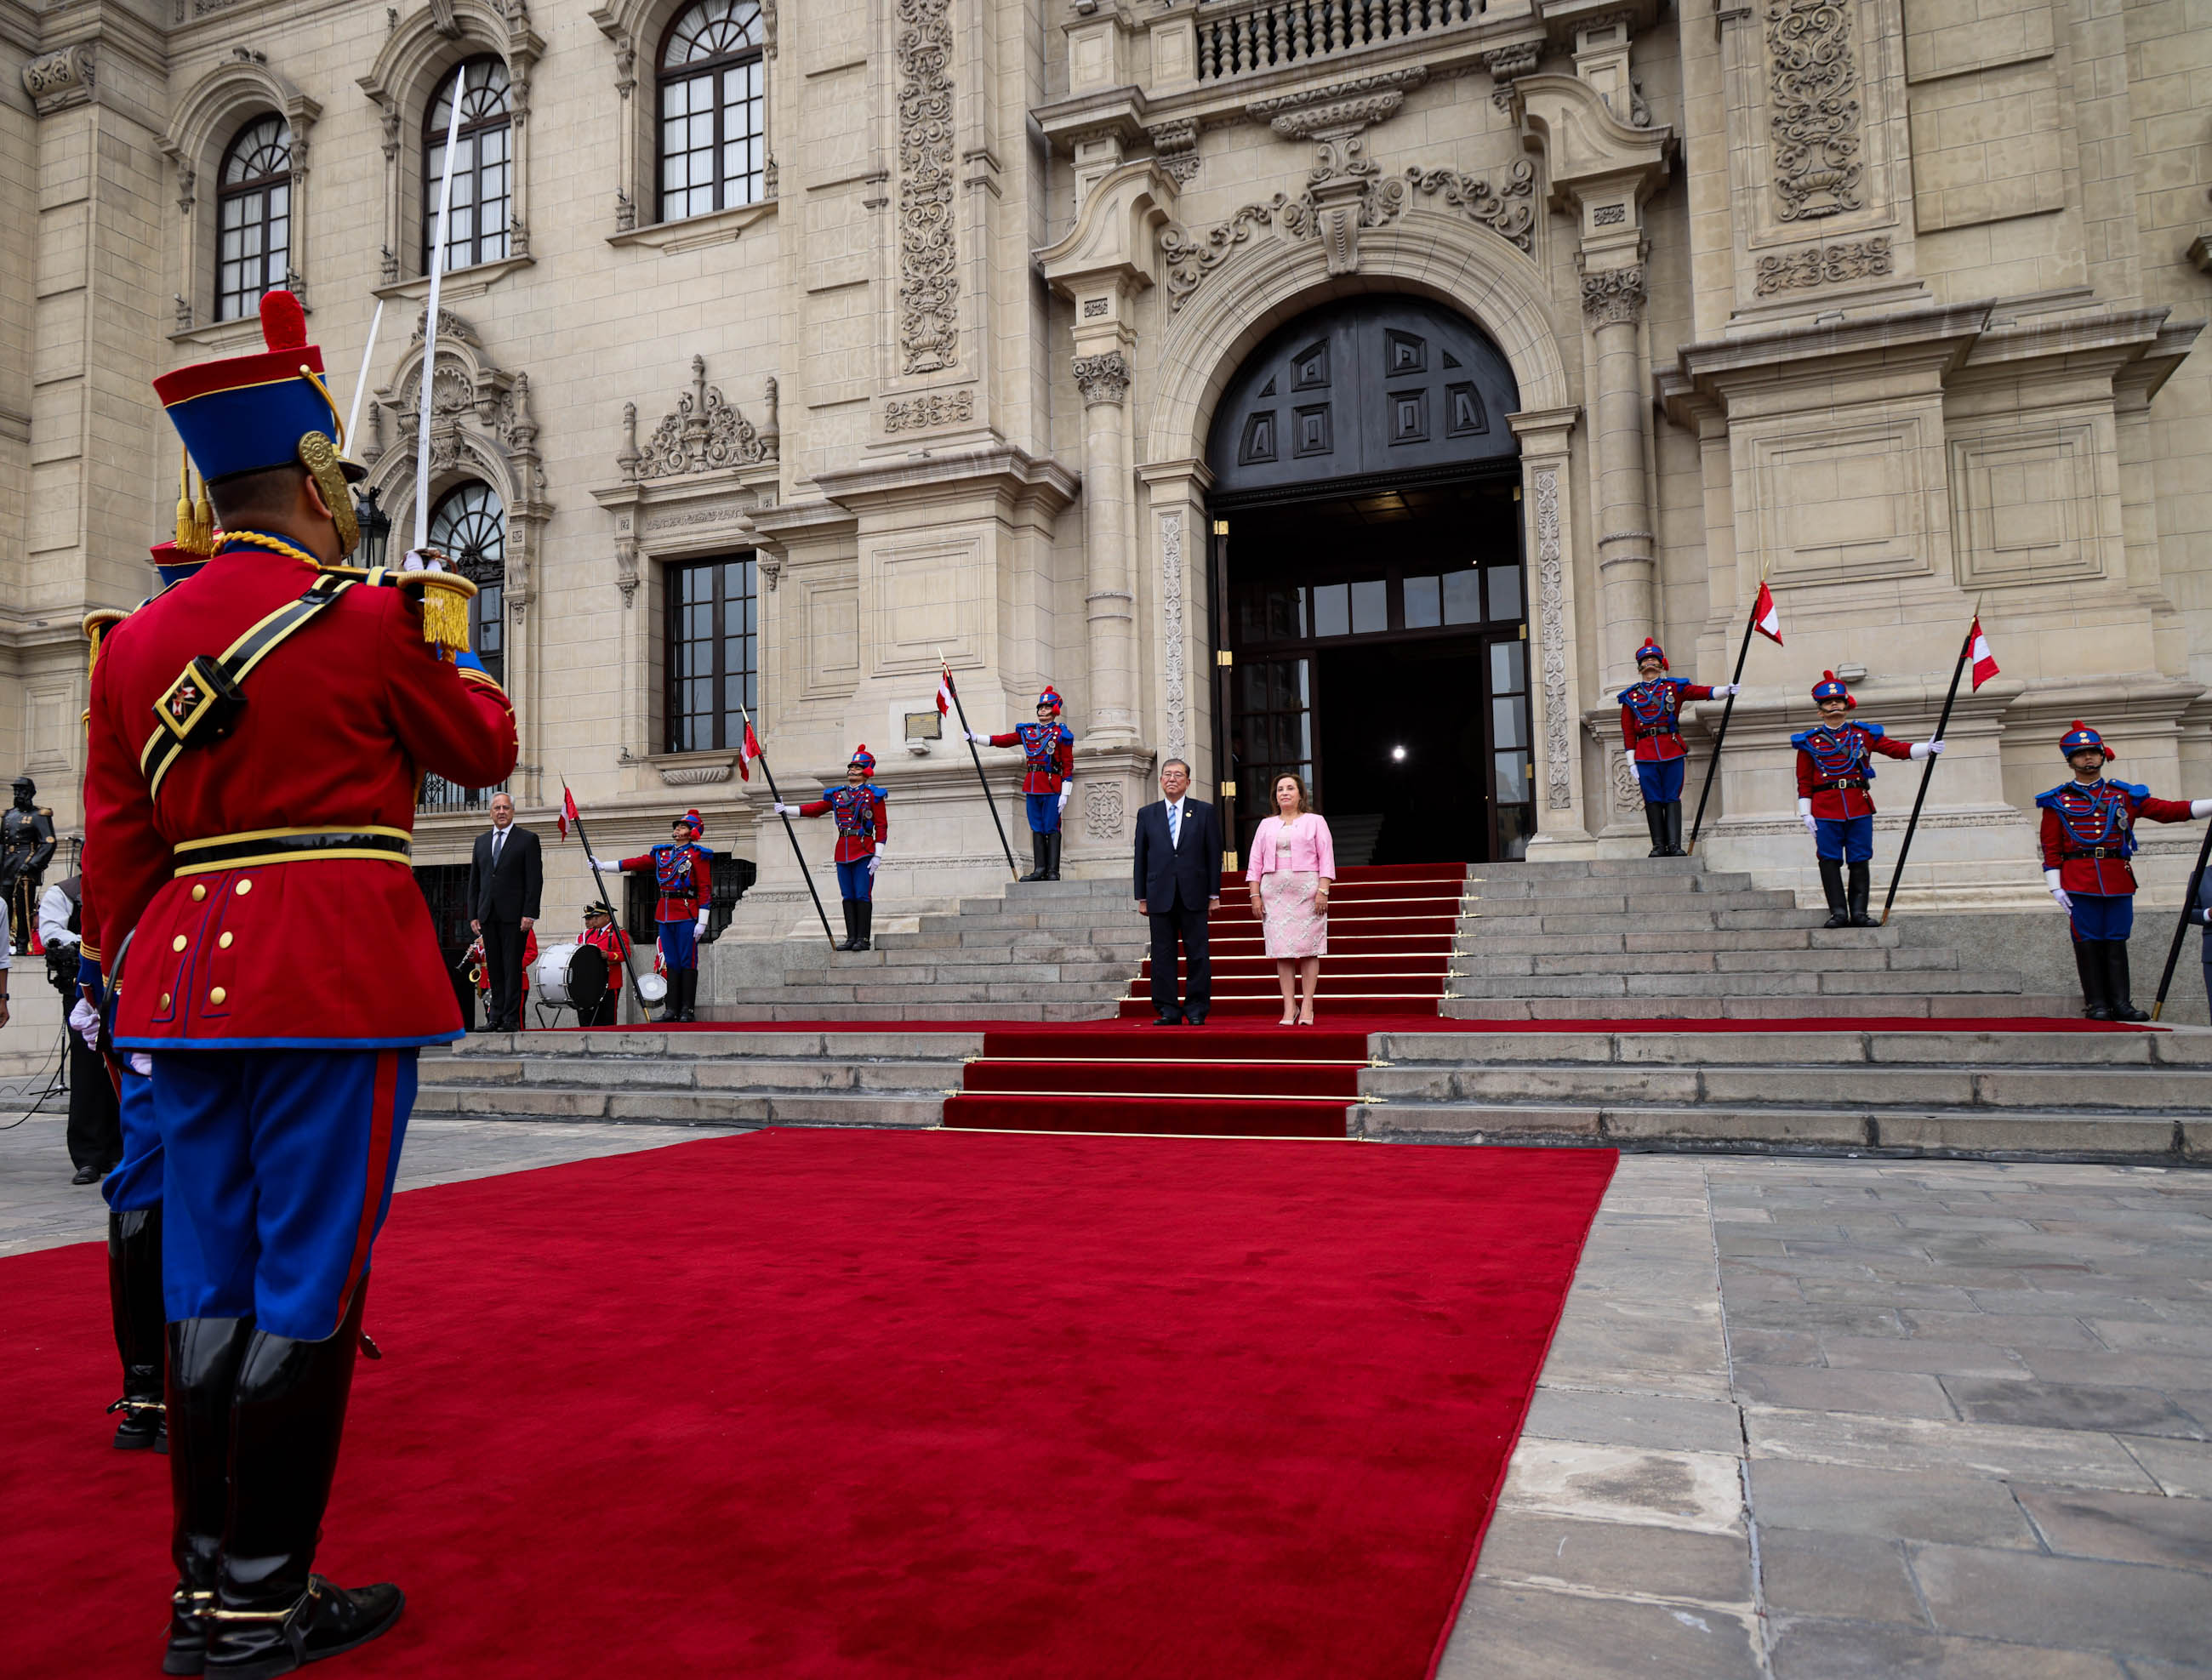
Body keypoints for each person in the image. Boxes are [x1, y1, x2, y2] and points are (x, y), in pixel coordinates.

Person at [81, 288, 517, 1675]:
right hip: (330, 975)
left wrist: (132, 986)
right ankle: (268, 1600)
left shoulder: (133, 645)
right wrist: (443, 629)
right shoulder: (369, 615)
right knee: (307, 1282)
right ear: (321, 483)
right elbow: (483, 751)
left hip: (184, 991)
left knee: (207, 1283)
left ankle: (201, 1595)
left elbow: (115, 854)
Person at [2038, 721, 2212, 1021]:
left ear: (2103, 755)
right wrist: (2055, 885)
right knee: (2088, 939)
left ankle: (2121, 1003)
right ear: (2070, 760)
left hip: (2117, 877)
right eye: (2081, 754)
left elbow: (2170, 811)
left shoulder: (2123, 795)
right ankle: (2097, 1004)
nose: (2088, 759)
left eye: (2093, 752)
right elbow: (2051, 848)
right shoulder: (2057, 801)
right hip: (2078, 879)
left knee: (2117, 938)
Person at [1792, 672, 1942, 928]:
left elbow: (1894, 749)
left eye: (1839, 701)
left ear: (1847, 705)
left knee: (1860, 858)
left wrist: (1925, 749)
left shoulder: (1863, 735)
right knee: (1829, 859)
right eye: (1829, 703)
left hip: (1858, 804)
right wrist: (1806, 813)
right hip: (1825, 808)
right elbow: (1804, 781)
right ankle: (1839, 912)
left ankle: (1859, 913)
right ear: (1820, 711)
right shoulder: (1808, 742)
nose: (1835, 705)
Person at [1617, 641, 1736, 857]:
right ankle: (1658, 846)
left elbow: (1699, 692)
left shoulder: (1673, 687)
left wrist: (1724, 691)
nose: (1649, 664)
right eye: (1645, 661)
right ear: (1639, 668)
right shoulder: (1630, 697)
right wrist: (1631, 761)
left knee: (1672, 796)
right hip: (1644, 754)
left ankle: (1674, 845)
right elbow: (1628, 731)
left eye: (1653, 660)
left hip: (1671, 748)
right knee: (1652, 799)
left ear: (1662, 665)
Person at [42, 868, 123, 1183]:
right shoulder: (64, 892)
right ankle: (88, 1155)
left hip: (121, 984)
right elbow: (53, 933)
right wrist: (98, 942)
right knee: (88, 1070)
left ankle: (119, 1149)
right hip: (83, 988)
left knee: (122, 1066)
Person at [595, 810, 715, 1019]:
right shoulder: (663, 853)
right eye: (677, 826)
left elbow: (705, 888)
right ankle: (671, 1009)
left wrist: (702, 921)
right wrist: (605, 866)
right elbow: (637, 862)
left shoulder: (698, 856)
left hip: (686, 912)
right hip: (665, 912)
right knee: (671, 961)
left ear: (693, 832)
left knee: (687, 961)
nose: (677, 828)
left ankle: (687, 1009)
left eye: (683, 826)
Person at [1133, 758, 1223, 1026]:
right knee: (1162, 955)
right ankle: (1168, 1009)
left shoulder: (1204, 811)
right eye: (1167, 774)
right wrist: (1142, 896)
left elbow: (1212, 855)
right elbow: (1141, 857)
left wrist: (1213, 894)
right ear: (1161, 780)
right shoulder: (1147, 814)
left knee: (1197, 954)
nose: (1172, 779)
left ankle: (1196, 1008)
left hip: (1194, 893)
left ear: (1188, 781)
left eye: (1178, 775)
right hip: (1159, 894)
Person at [1246, 772, 1335, 1026]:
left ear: (1300, 794)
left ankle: (1307, 1004)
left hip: (1307, 891)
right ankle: (1289, 1006)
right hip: (1274, 892)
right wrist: (1255, 895)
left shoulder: (1315, 821)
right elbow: (1255, 862)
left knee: (1309, 950)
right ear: (1275, 796)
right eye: (1280, 789)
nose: (1284, 793)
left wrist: (1323, 890)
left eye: (1290, 788)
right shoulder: (1266, 825)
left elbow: (1326, 858)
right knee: (1282, 952)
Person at [777, 750, 889, 952]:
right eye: (851, 767)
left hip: (864, 849)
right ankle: (851, 937)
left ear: (867, 772)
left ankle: (863, 938)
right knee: (847, 895)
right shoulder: (837, 795)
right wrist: (788, 810)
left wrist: (878, 854)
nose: (852, 770)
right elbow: (816, 809)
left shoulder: (873, 795)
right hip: (843, 850)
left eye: (857, 768)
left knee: (862, 895)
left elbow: (881, 826)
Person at [966, 686, 1075, 880]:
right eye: (1041, 707)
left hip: (1052, 785)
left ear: (1055, 710)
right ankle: (1040, 869)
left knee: (1051, 826)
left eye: (1047, 706)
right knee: (1037, 826)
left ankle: (1053, 871)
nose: (1042, 710)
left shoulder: (1061, 734)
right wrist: (977, 738)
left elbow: (1068, 764)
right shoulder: (1029, 732)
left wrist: (1066, 791)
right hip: (1033, 784)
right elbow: (1005, 740)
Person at [468, 791, 540, 1034]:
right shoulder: (481, 842)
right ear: (491, 812)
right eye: (497, 808)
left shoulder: (527, 840)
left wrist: (530, 913)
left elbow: (534, 880)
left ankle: (511, 1019)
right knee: (495, 969)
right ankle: (494, 1017)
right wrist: (473, 914)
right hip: (488, 914)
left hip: (515, 916)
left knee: (511, 968)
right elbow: (475, 882)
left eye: (506, 808)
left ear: (513, 811)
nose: (501, 811)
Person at [1, 773, 56, 953]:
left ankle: (22, 944)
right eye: (16, 791)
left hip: (25, 866)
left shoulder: (39, 815)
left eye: (22, 791)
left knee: (24, 907)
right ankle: (4, 942)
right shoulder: (7, 815)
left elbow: (48, 842)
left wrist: (33, 864)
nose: (18, 794)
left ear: (31, 793)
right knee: (3, 906)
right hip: (6, 867)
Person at [578, 903, 631, 1026]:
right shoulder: (591, 933)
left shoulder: (618, 932)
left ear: (607, 917)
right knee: (592, 1020)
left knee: (607, 1019)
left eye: (597, 916)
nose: (594, 919)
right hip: (594, 983)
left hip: (610, 982)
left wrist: (610, 955)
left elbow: (626, 954)